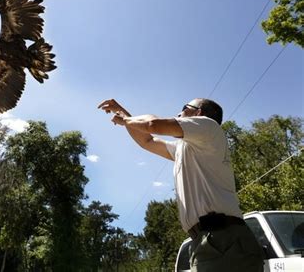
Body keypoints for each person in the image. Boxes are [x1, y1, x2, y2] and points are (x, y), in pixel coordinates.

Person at [98, 98, 264, 272]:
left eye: (184, 108)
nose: (179, 112)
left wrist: (124, 120)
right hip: (204, 240)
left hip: (225, 241)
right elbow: (147, 140)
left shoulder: (209, 127)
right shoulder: (185, 148)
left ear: (198, 113)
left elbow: (153, 124)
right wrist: (123, 113)